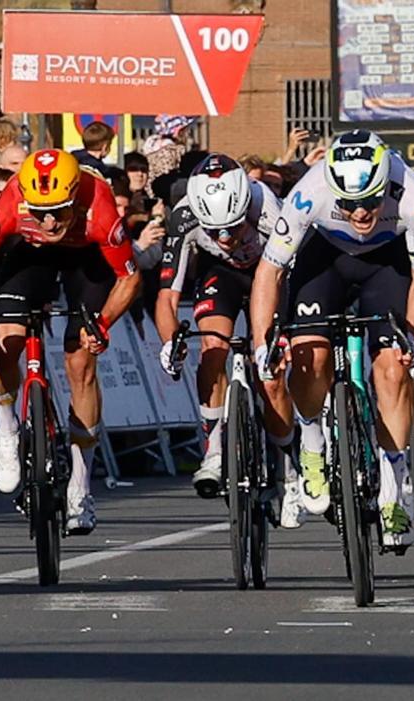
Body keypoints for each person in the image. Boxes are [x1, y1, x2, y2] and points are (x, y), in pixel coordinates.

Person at [249, 130, 414, 551]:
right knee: (309, 357)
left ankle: (394, 482)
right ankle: (312, 439)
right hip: (325, 259)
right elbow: (270, 272)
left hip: (387, 263)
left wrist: (410, 334)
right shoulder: (309, 192)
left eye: (370, 201)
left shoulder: (413, 198)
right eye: (349, 204)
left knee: (391, 368)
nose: (360, 213)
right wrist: (262, 345)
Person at [0, 149, 141, 534]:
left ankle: (81, 486)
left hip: (87, 260)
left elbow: (130, 278)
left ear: (76, 198)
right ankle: (6, 429)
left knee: (81, 362)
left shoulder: (100, 209)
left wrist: (102, 323)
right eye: (39, 212)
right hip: (30, 256)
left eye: (59, 211)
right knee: (6, 341)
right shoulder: (11, 204)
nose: (49, 221)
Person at [154, 154, 297, 524]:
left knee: (272, 375)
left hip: (272, 272)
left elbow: (290, 277)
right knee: (213, 346)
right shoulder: (184, 216)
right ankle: (214, 447)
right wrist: (170, 341)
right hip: (223, 277)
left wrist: (281, 335)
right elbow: (168, 295)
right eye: (214, 231)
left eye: (232, 228)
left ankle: (288, 467)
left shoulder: (267, 206)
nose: (224, 238)